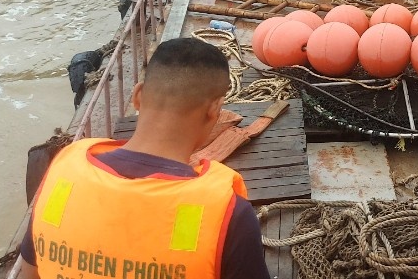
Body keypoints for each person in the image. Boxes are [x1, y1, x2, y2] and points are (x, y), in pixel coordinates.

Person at [19, 38, 268, 279]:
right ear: (215, 110)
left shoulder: (63, 174)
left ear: (137, 95)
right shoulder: (228, 214)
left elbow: (31, 272)